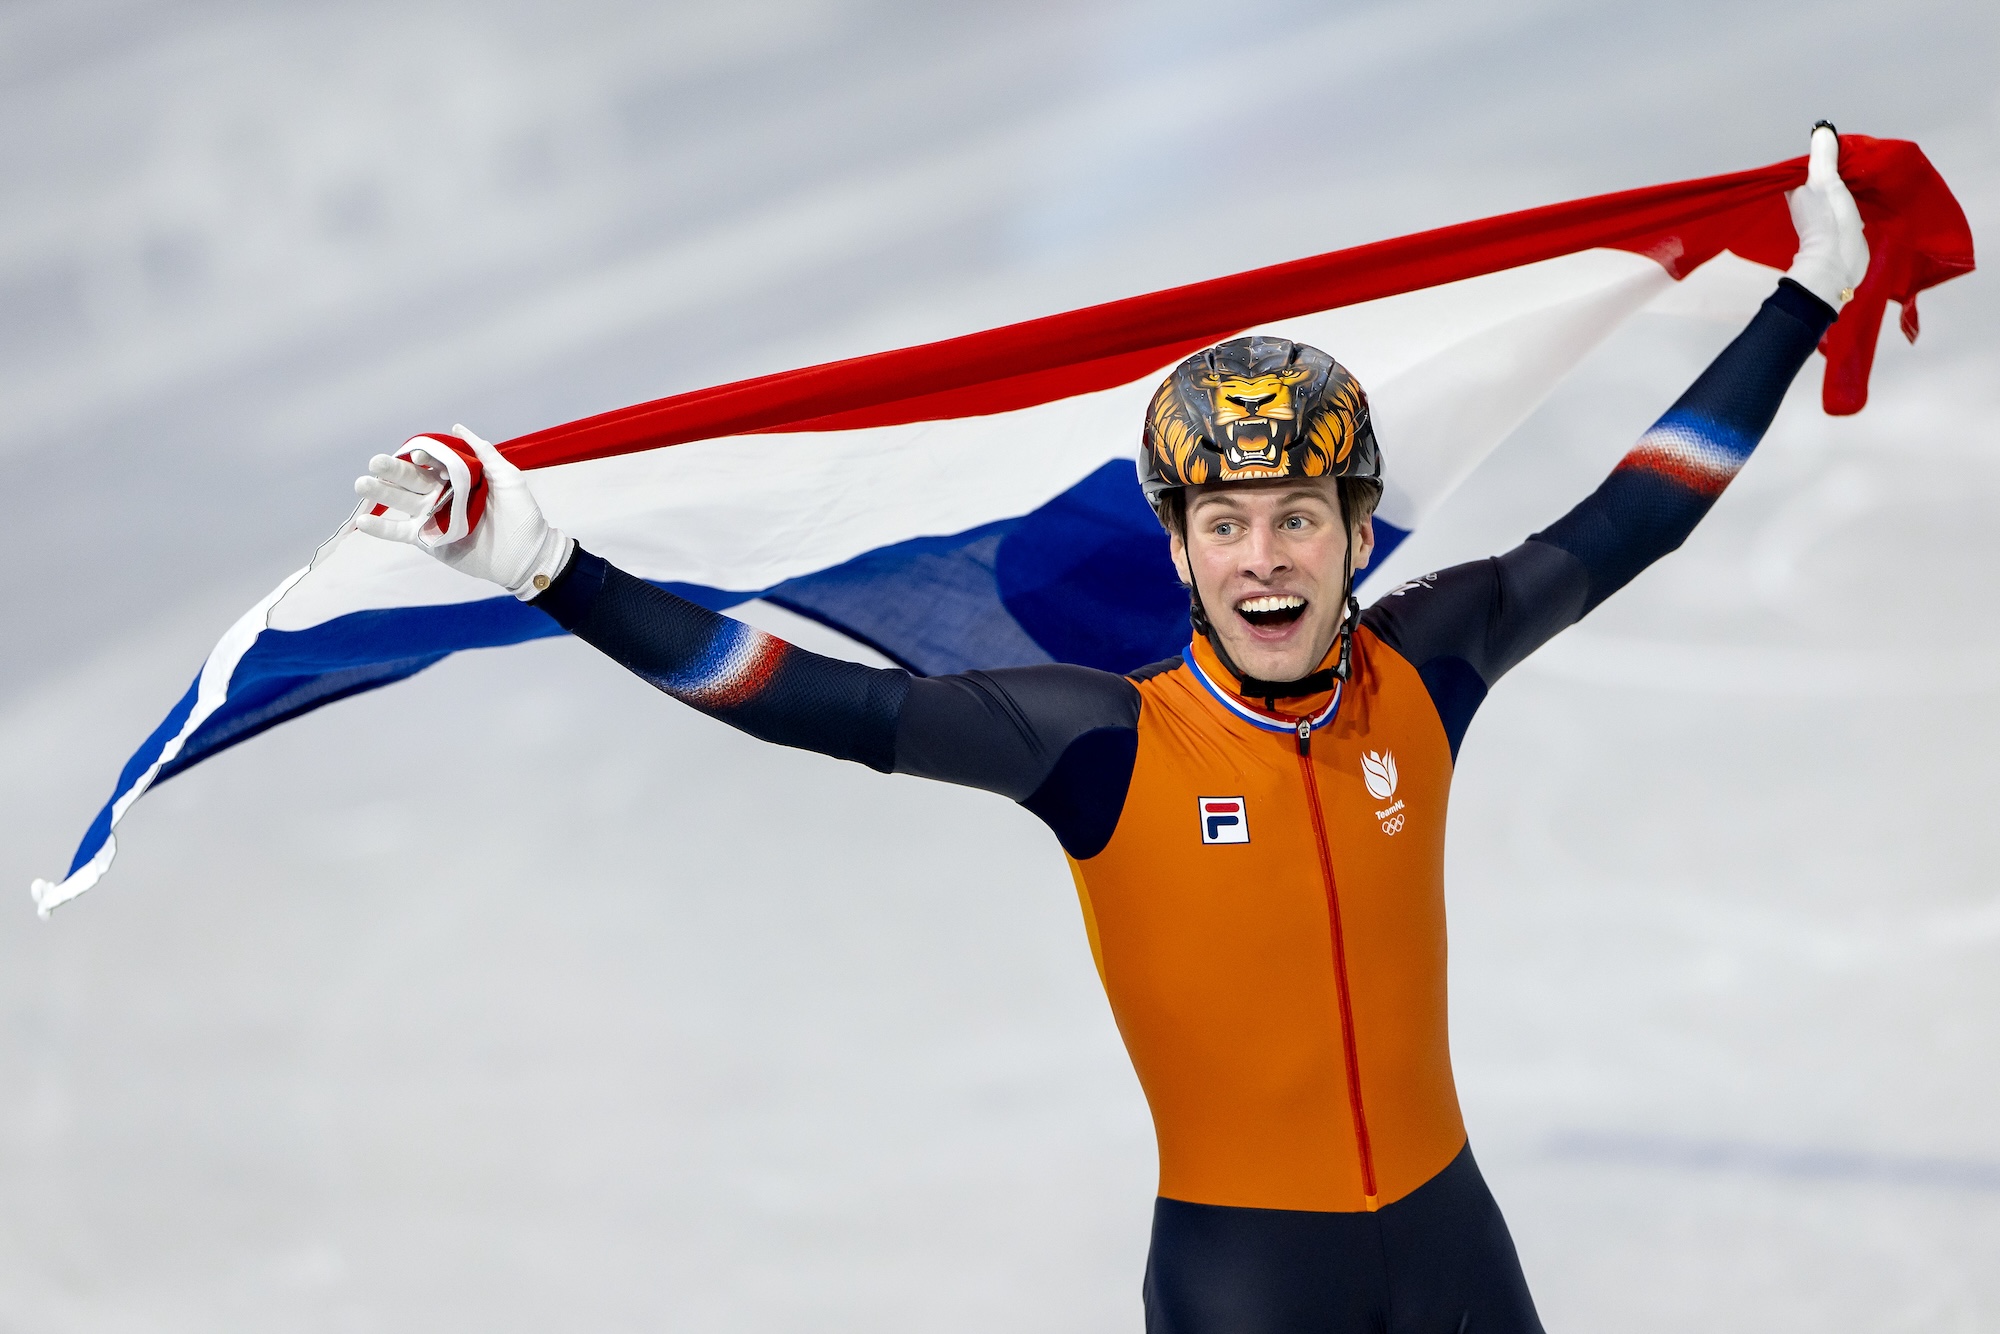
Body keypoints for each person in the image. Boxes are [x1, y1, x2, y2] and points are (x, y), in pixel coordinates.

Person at [352, 126, 1869, 1333]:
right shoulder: (1096, 741)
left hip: (1454, 1240)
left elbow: (1633, 515)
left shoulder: (1432, 663)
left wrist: (1804, 297)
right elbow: (793, 696)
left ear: (1357, 531)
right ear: (1177, 547)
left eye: (1296, 518)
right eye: (1226, 524)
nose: (1262, 557)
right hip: (1246, 1280)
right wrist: (551, 570)